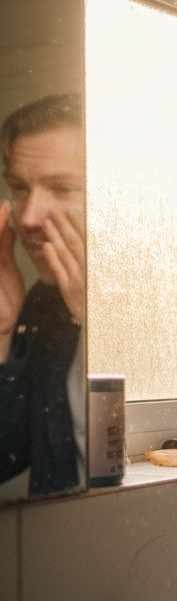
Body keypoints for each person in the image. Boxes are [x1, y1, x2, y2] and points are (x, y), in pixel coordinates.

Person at [1, 93, 86, 495]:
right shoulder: (43, 303)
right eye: (19, 187)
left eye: (63, 188)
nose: (29, 216)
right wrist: (3, 334)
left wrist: (103, 325)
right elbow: (5, 456)